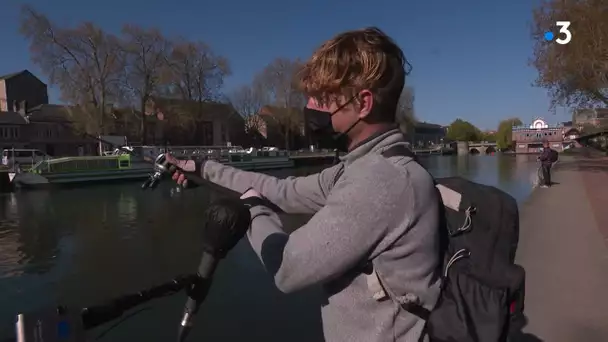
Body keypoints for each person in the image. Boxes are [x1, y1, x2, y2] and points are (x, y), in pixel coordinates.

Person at [166, 27, 442, 342]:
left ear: (363, 103)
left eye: (323, 98)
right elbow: (283, 192)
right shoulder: (360, 167)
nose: (310, 106)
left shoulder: (383, 181)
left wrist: (252, 208)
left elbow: (288, 267)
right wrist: (203, 170)